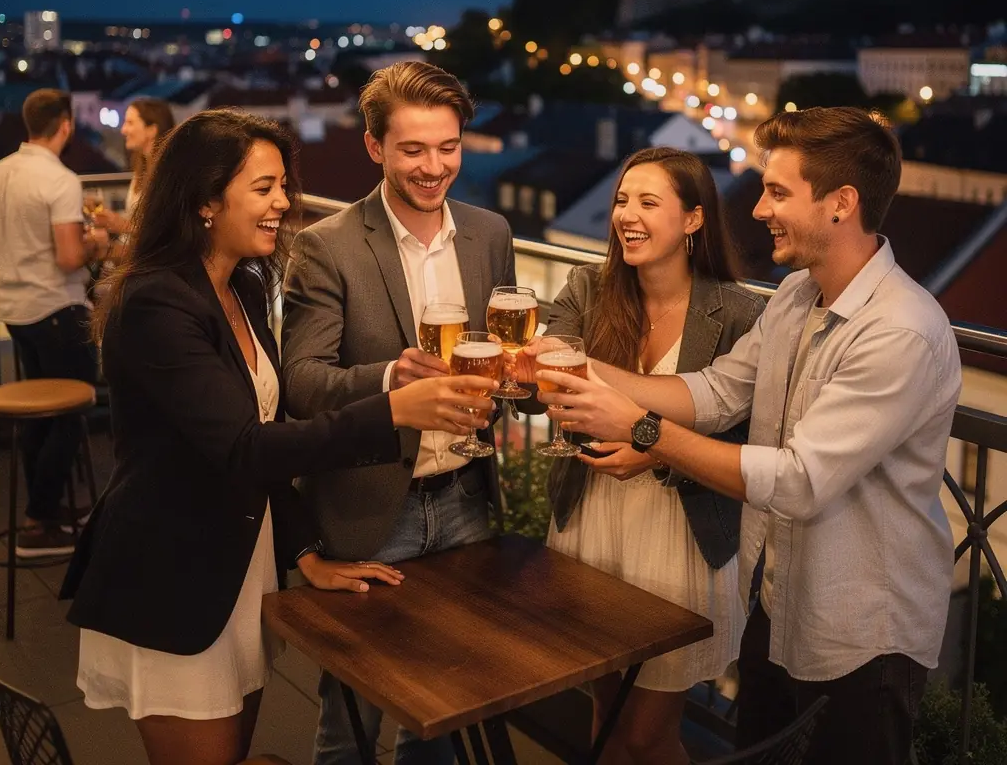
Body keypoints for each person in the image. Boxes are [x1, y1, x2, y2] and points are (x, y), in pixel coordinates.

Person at [59, 109, 495, 765]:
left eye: (284, 187)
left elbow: (264, 438)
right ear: (206, 199)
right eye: (264, 188)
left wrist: (306, 551)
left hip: (241, 561)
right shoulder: (154, 304)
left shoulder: (239, 286)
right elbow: (244, 448)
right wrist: (395, 409)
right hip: (174, 576)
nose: (284, 203)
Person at [536, 107, 961, 765]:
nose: (759, 208)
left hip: (862, 633)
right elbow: (715, 392)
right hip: (778, 600)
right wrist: (578, 368)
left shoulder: (899, 329)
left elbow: (799, 481)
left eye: (778, 192)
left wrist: (646, 433)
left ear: (842, 204)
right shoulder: (795, 296)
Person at [282, 62, 516, 765]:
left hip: (466, 497)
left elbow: (500, 362)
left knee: (442, 707)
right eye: (413, 149)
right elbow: (301, 382)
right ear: (376, 148)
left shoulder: (490, 232)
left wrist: (521, 377)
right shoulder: (328, 244)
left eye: (448, 147)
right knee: (349, 718)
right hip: (370, 505)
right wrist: (392, 379)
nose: (434, 166)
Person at [519, 148, 763, 765]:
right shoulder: (589, 287)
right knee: (605, 721)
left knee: (647, 736)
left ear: (693, 220)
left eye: (648, 203)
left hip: (677, 538)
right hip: (592, 518)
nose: (627, 214)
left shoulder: (737, 313)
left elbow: (751, 445)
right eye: (622, 200)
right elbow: (552, 383)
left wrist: (654, 454)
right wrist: (546, 374)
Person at [0, 88, 108, 557]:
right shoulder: (59, 180)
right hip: (55, 308)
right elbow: (70, 257)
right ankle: (39, 522)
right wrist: (95, 243)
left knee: (41, 410)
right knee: (72, 412)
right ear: (66, 126)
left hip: (14, 311)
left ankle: (45, 511)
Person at [93, 97, 176, 235]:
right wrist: (113, 221)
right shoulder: (141, 168)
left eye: (130, 123)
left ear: (152, 130)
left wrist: (123, 225)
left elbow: (167, 232)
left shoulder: (169, 175)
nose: (123, 130)